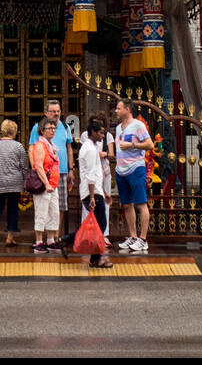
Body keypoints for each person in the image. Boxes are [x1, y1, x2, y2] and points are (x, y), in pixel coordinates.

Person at [56, 115, 113, 269]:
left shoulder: (90, 148)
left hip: (94, 192)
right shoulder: (90, 150)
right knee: (100, 225)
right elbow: (90, 175)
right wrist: (94, 196)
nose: (102, 136)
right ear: (93, 133)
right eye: (100, 133)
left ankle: (92, 256)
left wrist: (103, 193)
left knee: (96, 226)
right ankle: (73, 243)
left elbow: (95, 173)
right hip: (91, 193)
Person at [113, 97, 152, 254]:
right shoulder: (118, 128)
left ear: (127, 110)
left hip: (135, 168)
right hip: (121, 170)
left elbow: (150, 145)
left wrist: (133, 145)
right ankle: (133, 236)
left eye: (118, 108)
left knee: (140, 203)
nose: (116, 111)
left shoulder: (138, 125)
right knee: (127, 204)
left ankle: (143, 239)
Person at [29, 99, 75, 228]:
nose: (56, 114)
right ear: (46, 112)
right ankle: (41, 237)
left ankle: (56, 235)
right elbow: (32, 148)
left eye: (58, 111)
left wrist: (71, 169)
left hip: (62, 171)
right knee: (44, 204)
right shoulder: (38, 128)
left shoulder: (65, 127)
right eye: (53, 111)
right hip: (44, 172)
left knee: (59, 205)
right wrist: (35, 169)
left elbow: (69, 149)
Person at [0, 119, 27, 248]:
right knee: (12, 209)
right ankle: (10, 237)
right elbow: (24, 166)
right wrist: (24, 182)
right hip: (15, 182)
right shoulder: (18, 146)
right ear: (14, 131)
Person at [30, 118, 61, 253]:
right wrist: (46, 183)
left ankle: (50, 240)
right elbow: (38, 167)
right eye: (49, 128)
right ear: (42, 131)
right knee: (42, 212)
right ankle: (38, 241)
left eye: (54, 128)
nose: (53, 131)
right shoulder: (40, 146)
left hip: (53, 185)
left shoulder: (51, 145)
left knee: (54, 212)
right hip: (44, 186)